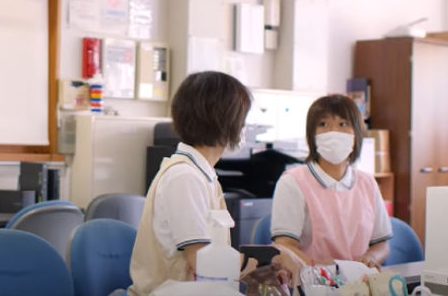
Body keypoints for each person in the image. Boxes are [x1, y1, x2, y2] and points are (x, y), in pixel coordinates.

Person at [127, 71, 302, 296]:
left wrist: (263, 265)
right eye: (242, 119)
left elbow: (212, 255)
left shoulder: (201, 174)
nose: (243, 128)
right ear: (225, 121)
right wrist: (270, 258)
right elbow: (200, 259)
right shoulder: (185, 177)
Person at [271, 94, 392, 269]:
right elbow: (284, 246)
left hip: (359, 282)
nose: (333, 132)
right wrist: (321, 268)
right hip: (311, 283)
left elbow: (381, 244)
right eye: (323, 124)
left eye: (343, 124)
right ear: (311, 135)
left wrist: (371, 257)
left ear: (356, 133)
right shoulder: (293, 182)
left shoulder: (367, 183)